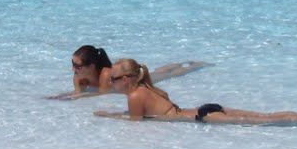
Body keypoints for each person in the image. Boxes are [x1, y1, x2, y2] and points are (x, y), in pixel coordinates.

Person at [97, 60, 297, 124]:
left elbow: (136, 122)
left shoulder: (135, 96)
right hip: (204, 110)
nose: (112, 82)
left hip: (202, 118)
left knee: (268, 121)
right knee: (264, 116)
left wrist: (110, 116)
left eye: (115, 79)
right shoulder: (147, 88)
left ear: (127, 79)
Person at [57, 46, 207, 99]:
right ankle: (183, 63)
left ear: (91, 66)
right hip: (128, 78)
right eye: (72, 64)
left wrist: (79, 96)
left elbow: (103, 94)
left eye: (77, 66)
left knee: (167, 75)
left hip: (135, 79)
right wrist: (60, 95)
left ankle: (193, 66)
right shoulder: (79, 76)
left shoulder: (105, 75)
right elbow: (77, 93)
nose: (73, 69)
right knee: (158, 72)